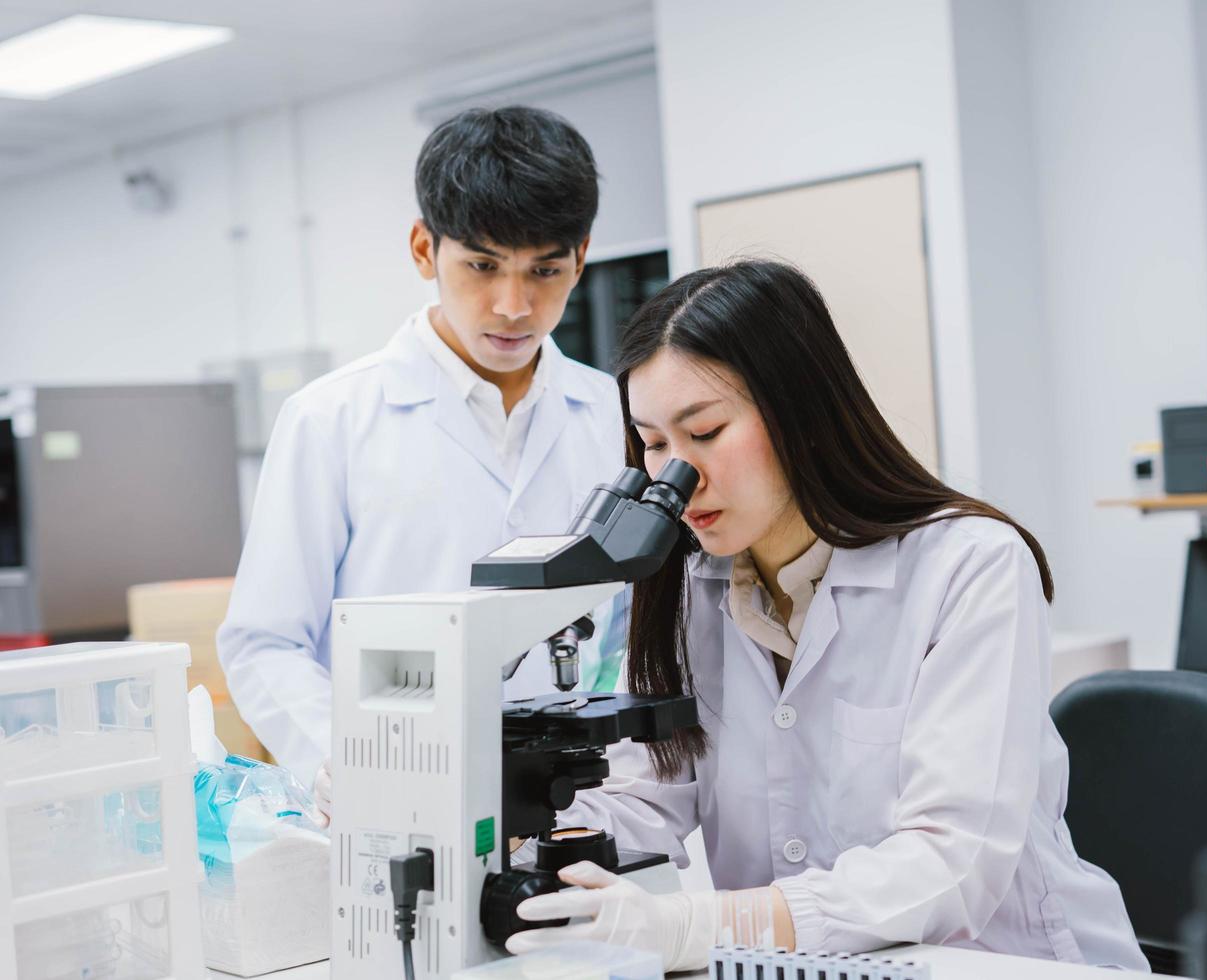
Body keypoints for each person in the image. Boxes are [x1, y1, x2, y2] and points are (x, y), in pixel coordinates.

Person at [505, 260, 1149, 971]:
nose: (675, 478)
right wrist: (517, 829)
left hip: (1004, 962)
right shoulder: (688, 589)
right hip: (795, 964)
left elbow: (949, 863)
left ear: (799, 412)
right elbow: (646, 798)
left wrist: (697, 924)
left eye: (707, 432)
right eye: (653, 444)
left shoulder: (968, 566)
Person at [217, 106, 626, 803]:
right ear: (421, 249)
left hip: (577, 797)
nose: (513, 305)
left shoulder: (615, 414)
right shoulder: (331, 418)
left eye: (545, 271)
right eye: (481, 265)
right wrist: (348, 764)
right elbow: (264, 643)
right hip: (394, 793)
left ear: (581, 257)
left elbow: (625, 627)